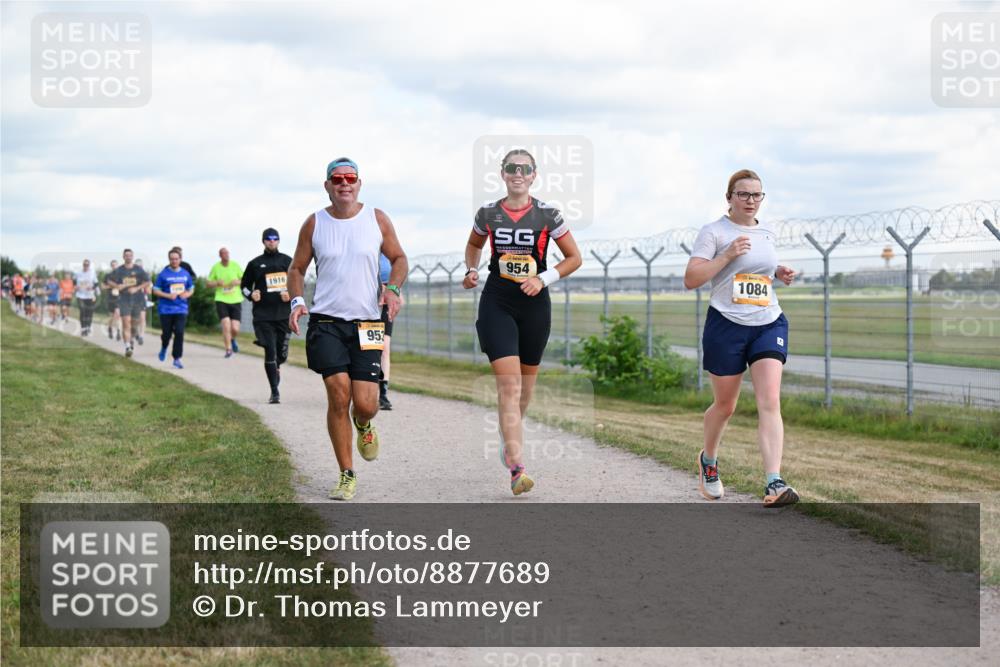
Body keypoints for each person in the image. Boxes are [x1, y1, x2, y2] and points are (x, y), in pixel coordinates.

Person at [462, 149, 583, 496]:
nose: (518, 173)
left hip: (535, 303)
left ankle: (508, 435)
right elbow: (473, 245)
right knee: (509, 387)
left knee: (524, 393)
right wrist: (471, 269)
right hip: (497, 301)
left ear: (534, 175)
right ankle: (517, 468)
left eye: (524, 169)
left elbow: (574, 258)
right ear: (502, 174)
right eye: (511, 168)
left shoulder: (548, 214)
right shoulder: (488, 213)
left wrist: (543, 279)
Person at [288, 157, 407, 501]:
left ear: (359, 184)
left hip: (367, 321)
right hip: (326, 322)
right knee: (339, 394)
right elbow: (297, 267)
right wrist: (296, 301)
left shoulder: (377, 219)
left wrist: (393, 288)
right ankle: (346, 473)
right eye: (336, 179)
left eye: (350, 178)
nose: (344, 183)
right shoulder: (315, 223)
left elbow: (399, 258)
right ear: (327, 185)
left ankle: (365, 424)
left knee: (366, 403)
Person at [684, 169, 799, 507]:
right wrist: (727, 255)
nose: (751, 200)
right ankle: (709, 460)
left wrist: (777, 272)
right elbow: (692, 278)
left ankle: (774, 482)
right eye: (744, 194)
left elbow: (757, 271)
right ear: (730, 197)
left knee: (769, 400)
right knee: (726, 405)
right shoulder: (714, 232)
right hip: (726, 324)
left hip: (768, 321)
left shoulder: (767, 231)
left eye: (757, 195)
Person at [241, 227, 292, 404]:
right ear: (263, 241)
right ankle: (274, 391)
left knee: (282, 354)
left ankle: (277, 364)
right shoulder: (255, 263)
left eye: (275, 239)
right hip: (263, 315)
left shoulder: (287, 261)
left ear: (279, 240)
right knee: (270, 351)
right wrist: (251, 294)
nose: (272, 241)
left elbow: (297, 283)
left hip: (284, 315)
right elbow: (244, 286)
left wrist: (291, 293)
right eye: (268, 239)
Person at [152, 249, 194, 369]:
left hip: (181, 308)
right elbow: (155, 290)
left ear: (180, 259)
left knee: (179, 332)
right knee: (167, 334)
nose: (174, 261)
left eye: (176, 259)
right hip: (166, 309)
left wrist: (187, 294)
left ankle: (177, 358)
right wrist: (167, 295)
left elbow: (191, 288)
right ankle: (164, 347)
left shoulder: (185, 274)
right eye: (172, 259)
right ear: (169, 260)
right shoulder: (163, 274)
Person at [105, 249, 151, 357]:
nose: (128, 257)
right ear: (123, 257)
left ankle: (131, 340)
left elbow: (148, 281)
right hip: (124, 299)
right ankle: (127, 347)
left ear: (132, 256)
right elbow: (108, 280)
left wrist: (137, 288)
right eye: (126, 255)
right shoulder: (119, 270)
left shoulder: (138, 270)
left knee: (134, 324)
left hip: (137, 299)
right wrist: (116, 286)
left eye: (130, 255)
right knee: (126, 323)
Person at [207, 247, 244, 358]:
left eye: (227, 253)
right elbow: (208, 284)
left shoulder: (235, 265)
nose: (226, 255)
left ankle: (232, 339)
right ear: (220, 255)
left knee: (235, 328)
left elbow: (245, 280)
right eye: (224, 253)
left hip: (236, 299)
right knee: (226, 325)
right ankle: (228, 349)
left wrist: (237, 281)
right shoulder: (216, 267)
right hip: (221, 299)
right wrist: (216, 282)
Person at [377, 253, 395, 410]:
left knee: (384, 347)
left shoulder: (388, 251)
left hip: (385, 303)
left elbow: (398, 269)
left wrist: (395, 291)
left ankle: (382, 394)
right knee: (365, 346)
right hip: (365, 301)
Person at [74, 259, 100, 336]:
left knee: (89, 312)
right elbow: (73, 281)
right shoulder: (78, 273)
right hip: (80, 295)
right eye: (84, 265)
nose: (86, 266)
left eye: (87, 265)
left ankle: (88, 326)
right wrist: (75, 286)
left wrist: (92, 288)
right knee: (82, 310)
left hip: (90, 295)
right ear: (83, 265)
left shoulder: (92, 273)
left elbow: (96, 283)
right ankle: (83, 328)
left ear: (89, 265)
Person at [104, 259, 122, 341]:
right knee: (112, 316)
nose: (114, 266)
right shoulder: (108, 276)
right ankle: (110, 328)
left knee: (118, 314)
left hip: (119, 298)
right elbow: (103, 286)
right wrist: (112, 287)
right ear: (111, 266)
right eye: (113, 265)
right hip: (110, 298)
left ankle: (118, 332)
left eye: (115, 265)